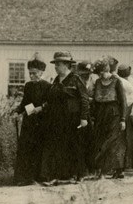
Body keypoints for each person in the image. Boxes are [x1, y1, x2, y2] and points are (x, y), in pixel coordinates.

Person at [39, 52, 90, 186]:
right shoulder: (56, 80)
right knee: (60, 147)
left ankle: (78, 175)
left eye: (59, 64)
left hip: (73, 118)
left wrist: (84, 118)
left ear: (67, 65)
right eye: (55, 64)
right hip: (58, 119)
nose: (56, 67)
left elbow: (84, 99)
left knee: (75, 146)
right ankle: (61, 175)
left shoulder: (75, 79)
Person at [13, 54, 51, 185]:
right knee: (26, 148)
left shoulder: (48, 86)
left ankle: (39, 176)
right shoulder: (28, 86)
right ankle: (25, 177)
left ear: (41, 72)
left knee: (39, 148)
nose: (32, 76)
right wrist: (17, 111)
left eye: (34, 73)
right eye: (30, 73)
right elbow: (25, 102)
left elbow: (51, 103)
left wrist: (41, 108)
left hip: (42, 121)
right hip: (29, 121)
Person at [90, 58, 128, 179]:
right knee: (100, 141)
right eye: (99, 74)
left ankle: (117, 170)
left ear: (108, 70)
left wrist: (122, 119)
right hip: (101, 115)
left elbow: (123, 101)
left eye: (103, 73)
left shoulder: (117, 82)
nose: (101, 76)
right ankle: (102, 170)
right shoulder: (97, 82)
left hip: (114, 115)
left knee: (113, 143)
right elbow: (95, 101)